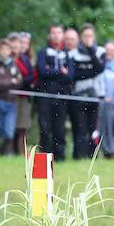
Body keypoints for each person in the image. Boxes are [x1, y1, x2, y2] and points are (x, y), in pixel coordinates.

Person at [36, 23, 73, 160]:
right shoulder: (43, 52)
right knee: (45, 128)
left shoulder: (67, 54)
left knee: (60, 128)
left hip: (62, 97)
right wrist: (59, 71)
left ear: (63, 35)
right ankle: (44, 157)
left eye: (59, 32)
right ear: (49, 35)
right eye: (53, 33)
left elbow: (70, 76)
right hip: (45, 95)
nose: (56, 35)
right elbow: (42, 71)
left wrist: (51, 70)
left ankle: (60, 157)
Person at [68, 24, 105, 159]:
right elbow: (73, 75)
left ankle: (92, 156)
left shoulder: (100, 51)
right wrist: (91, 73)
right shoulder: (73, 53)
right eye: (85, 36)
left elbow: (99, 68)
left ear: (94, 37)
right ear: (80, 37)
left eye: (90, 36)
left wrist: (90, 50)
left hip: (95, 96)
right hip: (78, 95)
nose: (88, 39)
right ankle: (79, 155)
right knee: (80, 128)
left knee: (93, 129)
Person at [0, 39, 22, 155]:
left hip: (11, 102)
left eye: (7, 49)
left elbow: (19, 81)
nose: (4, 51)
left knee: (9, 132)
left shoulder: (13, 65)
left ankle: (3, 152)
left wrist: (7, 82)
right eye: (2, 49)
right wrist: (11, 82)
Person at [12, 32, 35, 155]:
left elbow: (31, 76)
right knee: (11, 127)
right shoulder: (11, 59)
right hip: (11, 97)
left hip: (24, 96)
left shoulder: (25, 59)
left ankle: (21, 153)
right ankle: (10, 152)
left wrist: (21, 81)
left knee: (23, 127)